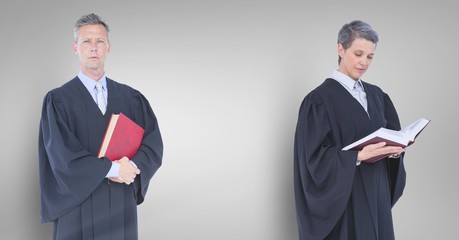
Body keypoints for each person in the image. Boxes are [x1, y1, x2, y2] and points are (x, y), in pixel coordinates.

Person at [38, 13, 163, 240]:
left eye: (100, 41)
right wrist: (114, 169)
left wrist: (132, 166)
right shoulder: (58, 100)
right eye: (86, 41)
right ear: (75, 48)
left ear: (108, 47)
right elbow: (61, 157)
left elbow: (153, 145)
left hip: (119, 206)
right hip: (77, 207)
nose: (93, 47)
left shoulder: (131, 98)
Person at [293, 20, 406, 240]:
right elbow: (312, 158)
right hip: (346, 196)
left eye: (370, 56)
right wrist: (357, 156)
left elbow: (391, 134)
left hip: (377, 191)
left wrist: (394, 150)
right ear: (341, 49)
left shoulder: (377, 96)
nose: (364, 62)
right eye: (358, 54)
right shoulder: (318, 101)